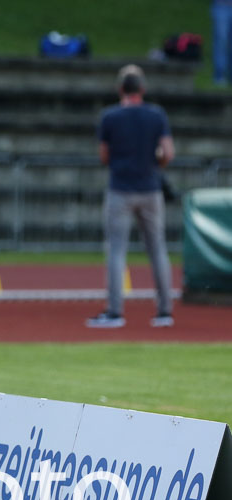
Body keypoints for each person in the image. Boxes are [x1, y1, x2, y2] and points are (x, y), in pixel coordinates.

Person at [87, 65, 174, 329]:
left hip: (120, 189)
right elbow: (167, 152)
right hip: (150, 188)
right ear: (142, 90)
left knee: (116, 251)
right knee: (157, 249)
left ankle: (115, 312)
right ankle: (164, 311)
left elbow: (103, 155)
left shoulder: (110, 117)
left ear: (120, 89)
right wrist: (154, 164)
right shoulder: (156, 115)